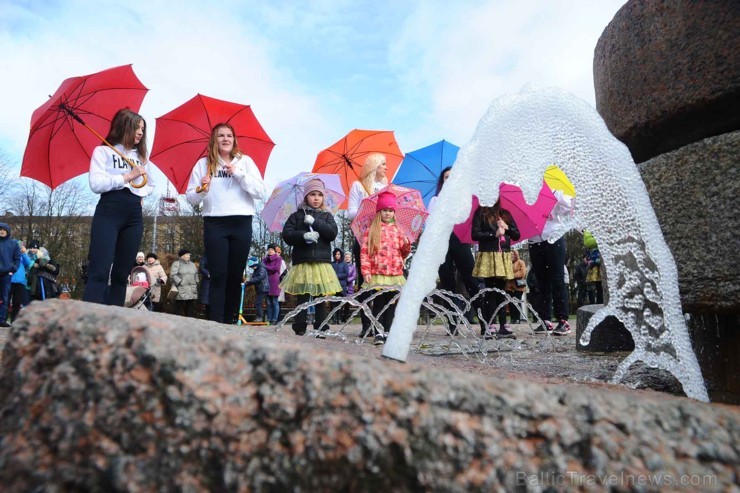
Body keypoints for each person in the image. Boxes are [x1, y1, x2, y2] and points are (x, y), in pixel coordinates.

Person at [185, 123, 266, 324]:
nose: (225, 139)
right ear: (214, 139)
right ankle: (216, 322)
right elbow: (190, 198)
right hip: (215, 223)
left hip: (241, 222)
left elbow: (260, 192)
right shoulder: (203, 165)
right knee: (218, 275)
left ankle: (230, 320)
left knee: (235, 275)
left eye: (229, 135)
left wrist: (238, 173)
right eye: (221, 135)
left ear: (234, 139)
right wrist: (202, 189)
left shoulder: (245, 162)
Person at [83, 109, 153, 306]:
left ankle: (115, 319)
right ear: (124, 126)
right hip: (109, 211)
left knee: (122, 273)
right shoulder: (103, 150)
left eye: (142, 129)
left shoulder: (141, 157)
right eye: (136, 128)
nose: (140, 133)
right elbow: (96, 184)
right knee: (100, 269)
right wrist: (127, 177)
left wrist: (142, 194)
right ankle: (89, 319)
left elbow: (151, 183)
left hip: (134, 214)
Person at [280, 178, 341, 337]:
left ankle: (321, 326)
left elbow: (332, 233)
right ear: (306, 196)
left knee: (320, 296)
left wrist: (316, 222)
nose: (316, 198)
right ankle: (300, 326)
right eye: (312, 194)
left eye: (319, 195)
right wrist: (304, 235)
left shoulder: (327, 216)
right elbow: (287, 234)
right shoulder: (296, 216)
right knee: (303, 296)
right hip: (303, 261)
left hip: (322, 262)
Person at [429, 167, 486, 334]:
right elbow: (432, 224)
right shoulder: (435, 200)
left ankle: (484, 322)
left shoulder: (465, 199)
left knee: (472, 281)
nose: (450, 179)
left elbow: (471, 223)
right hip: (442, 244)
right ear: (443, 181)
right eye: (446, 177)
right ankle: (452, 322)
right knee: (447, 284)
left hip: (461, 241)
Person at [360, 191, 411, 345]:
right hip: (378, 273)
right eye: (385, 210)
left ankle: (388, 331)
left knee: (391, 304)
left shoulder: (398, 230)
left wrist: (407, 244)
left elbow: (404, 252)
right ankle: (378, 333)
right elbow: (365, 252)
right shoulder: (371, 230)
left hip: (394, 273)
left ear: (394, 213)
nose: (388, 213)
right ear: (379, 212)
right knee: (379, 303)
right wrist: (366, 271)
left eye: (390, 211)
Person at [347, 153, 389, 336]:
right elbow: (350, 212)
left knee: (381, 281)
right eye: (383, 164)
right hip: (363, 237)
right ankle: (366, 324)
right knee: (366, 281)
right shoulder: (359, 185)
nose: (386, 168)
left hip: (383, 239)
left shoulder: (386, 187)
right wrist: (368, 207)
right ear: (374, 166)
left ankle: (379, 322)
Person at [471, 202, 520, 339]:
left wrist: (507, 228)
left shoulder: (505, 214)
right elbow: (475, 234)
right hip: (488, 254)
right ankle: (491, 323)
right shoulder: (480, 212)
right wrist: (494, 234)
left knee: (501, 290)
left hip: (502, 254)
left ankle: (503, 324)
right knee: (490, 290)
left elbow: (516, 234)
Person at [0, 223, 21, 327]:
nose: (2, 231)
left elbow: (17, 259)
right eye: (0, 229)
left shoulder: (13, 244)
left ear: (7, 231)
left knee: (5, 298)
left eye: (4, 229)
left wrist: (13, 270)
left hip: (6, 274)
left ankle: (2, 320)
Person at [169, 248, 199, 318]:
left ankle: (189, 324)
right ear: (182, 256)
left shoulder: (192, 264)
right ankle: (177, 323)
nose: (189, 256)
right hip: (181, 288)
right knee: (178, 308)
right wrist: (180, 282)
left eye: (189, 254)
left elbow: (196, 274)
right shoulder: (177, 263)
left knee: (190, 309)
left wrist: (196, 282)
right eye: (187, 254)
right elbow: (173, 275)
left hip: (192, 288)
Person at [9, 240, 32, 323]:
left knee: (17, 302)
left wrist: (23, 253)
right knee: (5, 301)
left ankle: (14, 320)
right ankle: (2, 319)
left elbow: (29, 264)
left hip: (20, 282)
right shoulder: (9, 255)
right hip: (9, 280)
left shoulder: (22, 256)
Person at [504, 250, 527, 324]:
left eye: (513, 255)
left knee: (517, 302)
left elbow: (522, 273)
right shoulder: (507, 263)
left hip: (518, 287)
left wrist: (511, 275)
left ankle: (517, 318)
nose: (511, 257)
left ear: (516, 255)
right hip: (509, 287)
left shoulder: (520, 262)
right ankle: (513, 318)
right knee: (510, 303)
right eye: (510, 255)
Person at [262, 244, 283, 325]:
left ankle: (275, 319)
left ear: (275, 251)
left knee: (275, 302)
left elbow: (276, 268)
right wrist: (270, 269)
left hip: (274, 281)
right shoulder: (264, 259)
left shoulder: (278, 258)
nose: (270, 251)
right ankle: (269, 319)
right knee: (268, 302)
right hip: (266, 281)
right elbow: (262, 268)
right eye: (269, 250)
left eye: (272, 250)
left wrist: (266, 267)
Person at [245, 256, 270, 322]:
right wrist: (245, 285)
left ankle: (260, 317)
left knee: (257, 303)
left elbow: (260, 277)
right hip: (260, 289)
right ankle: (259, 317)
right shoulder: (256, 270)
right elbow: (253, 280)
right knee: (258, 303)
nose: (253, 268)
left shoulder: (262, 268)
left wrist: (249, 280)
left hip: (263, 289)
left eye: (253, 266)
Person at [330, 247, 348, 323]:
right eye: (336, 254)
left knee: (340, 303)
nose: (337, 255)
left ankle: (339, 318)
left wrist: (336, 276)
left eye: (338, 254)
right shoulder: (332, 264)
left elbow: (346, 274)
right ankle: (334, 319)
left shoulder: (344, 264)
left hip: (341, 286)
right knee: (333, 303)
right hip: (333, 286)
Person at [343, 251, 357, 322]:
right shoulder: (342, 265)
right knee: (341, 302)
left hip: (349, 286)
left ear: (351, 258)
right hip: (342, 285)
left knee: (347, 303)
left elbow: (354, 275)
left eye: (348, 257)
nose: (347, 258)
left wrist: (348, 279)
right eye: (346, 257)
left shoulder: (353, 266)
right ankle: (340, 318)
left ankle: (346, 318)